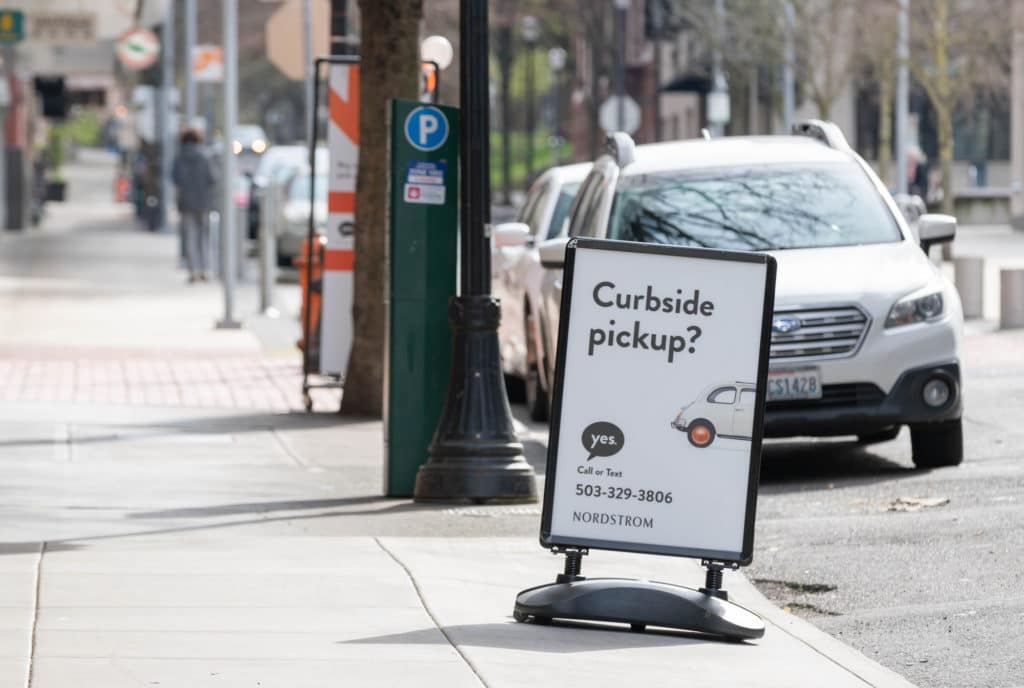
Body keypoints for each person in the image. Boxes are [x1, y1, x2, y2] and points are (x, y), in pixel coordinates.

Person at [171, 128, 218, 282]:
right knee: (204, 237)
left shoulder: (179, 158)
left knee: (190, 237)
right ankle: (205, 269)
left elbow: (175, 179)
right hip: (203, 203)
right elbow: (213, 178)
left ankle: (193, 271)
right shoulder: (205, 157)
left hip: (186, 203)